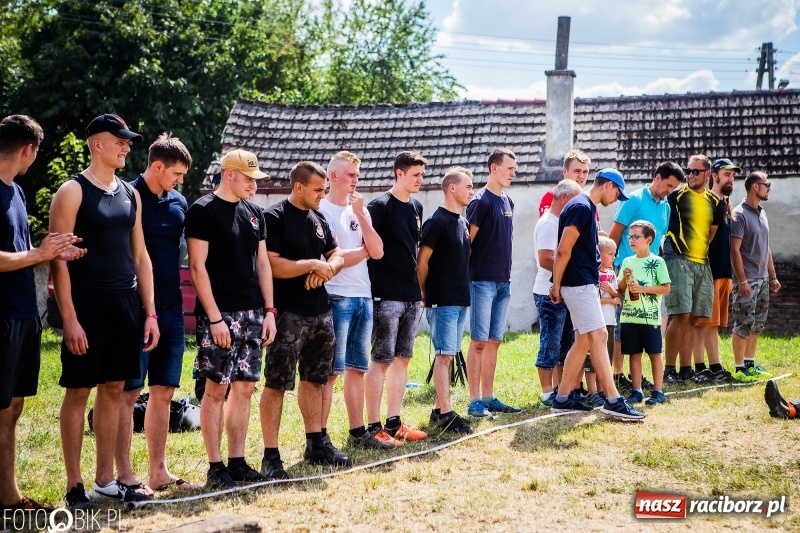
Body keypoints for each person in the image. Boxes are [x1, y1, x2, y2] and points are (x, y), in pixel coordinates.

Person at [49, 114, 158, 509]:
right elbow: (58, 261)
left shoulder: (131, 194)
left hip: (125, 304)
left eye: (129, 141)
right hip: (86, 305)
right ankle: (75, 485)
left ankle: (105, 480)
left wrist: (150, 312)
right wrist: (71, 318)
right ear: (98, 144)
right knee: (78, 391)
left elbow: (141, 256)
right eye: (120, 141)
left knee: (115, 389)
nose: (127, 147)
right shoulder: (72, 192)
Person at [0, 115, 83, 513]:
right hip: (2, 315)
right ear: (28, 149)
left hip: (24, 312)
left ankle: (8, 495)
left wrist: (56, 252)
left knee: (13, 407)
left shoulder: (16, 191)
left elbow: (25, 249)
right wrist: (38, 254)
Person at [185, 149, 277, 489]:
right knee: (216, 389)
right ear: (229, 175)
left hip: (254, 312)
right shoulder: (202, 211)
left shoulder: (255, 213)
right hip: (220, 314)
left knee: (245, 387)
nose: (254, 184)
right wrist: (213, 318)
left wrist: (269, 311)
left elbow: (263, 264)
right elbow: (197, 267)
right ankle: (215, 466)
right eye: (249, 178)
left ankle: (237, 462)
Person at [114, 134, 196, 494]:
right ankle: (124, 475)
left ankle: (158, 472)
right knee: (129, 394)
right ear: (157, 166)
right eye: (176, 173)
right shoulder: (126, 196)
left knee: (163, 391)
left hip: (173, 309)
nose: (180, 181)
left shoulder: (179, 201)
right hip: (134, 309)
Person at [260, 160, 349, 476]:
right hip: (288, 315)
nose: (322, 195)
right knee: (277, 385)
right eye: (317, 190)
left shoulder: (319, 217)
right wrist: (311, 263)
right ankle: (271, 456)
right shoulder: (275, 217)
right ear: (298, 187)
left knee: (315, 380)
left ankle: (316, 444)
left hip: (320, 313)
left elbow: (336, 254)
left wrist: (325, 271)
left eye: (324, 189)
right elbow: (272, 265)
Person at [549, 169, 644, 420]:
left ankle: (562, 398)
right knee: (600, 335)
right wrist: (555, 285)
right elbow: (562, 250)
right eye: (617, 194)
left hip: (581, 281)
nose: (616, 199)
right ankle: (613, 400)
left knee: (583, 340)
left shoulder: (584, 207)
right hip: (578, 283)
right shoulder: (581, 206)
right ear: (608, 185)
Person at [317, 152, 392, 449]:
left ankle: (357, 431)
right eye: (350, 175)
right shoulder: (321, 210)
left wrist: (361, 215)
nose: (355, 181)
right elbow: (332, 258)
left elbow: (378, 250)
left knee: (358, 368)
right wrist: (360, 253)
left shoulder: (359, 210)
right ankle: (319, 435)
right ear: (333, 176)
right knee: (332, 371)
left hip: (363, 295)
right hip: (336, 296)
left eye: (357, 176)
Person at [364, 151, 429, 444]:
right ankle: (373, 425)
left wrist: (420, 292)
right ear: (399, 174)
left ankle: (394, 422)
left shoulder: (416, 206)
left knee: (402, 360)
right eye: (415, 174)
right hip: (385, 295)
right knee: (381, 361)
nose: (420, 180)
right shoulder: (379, 206)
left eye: (422, 175)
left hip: (411, 296)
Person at [608, 162, 684, 390]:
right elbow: (614, 235)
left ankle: (637, 377)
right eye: (668, 185)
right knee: (624, 325)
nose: (670, 191)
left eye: (674, 188)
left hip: (650, 274)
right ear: (657, 177)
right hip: (626, 270)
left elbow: (658, 241)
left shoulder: (666, 206)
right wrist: (613, 270)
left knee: (647, 323)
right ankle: (618, 373)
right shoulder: (633, 200)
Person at [417, 167, 475, 434]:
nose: (471, 191)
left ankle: (440, 408)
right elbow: (422, 262)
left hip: (460, 299)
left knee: (449, 355)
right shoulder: (436, 222)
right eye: (468, 186)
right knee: (443, 356)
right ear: (452, 188)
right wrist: (423, 292)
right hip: (442, 300)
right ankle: (446, 415)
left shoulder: (463, 223)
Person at [465, 148, 521, 417]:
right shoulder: (480, 201)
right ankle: (474, 399)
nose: (514, 173)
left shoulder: (508, 201)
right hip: (481, 282)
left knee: (494, 341)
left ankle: (488, 396)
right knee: (478, 341)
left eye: (514, 168)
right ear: (494, 168)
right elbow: (466, 244)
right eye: (509, 168)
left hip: (503, 282)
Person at [662, 154, 724, 385]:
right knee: (680, 315)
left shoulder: (716, 202)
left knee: (694, 317)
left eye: (695, 171)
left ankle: (686, 369)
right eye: (688, 171)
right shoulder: (675, 197)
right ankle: (668, 370)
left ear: (708, 173)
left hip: (702, 262)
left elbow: (711, 234)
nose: (689, 175)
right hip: (678, 258)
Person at [532, 179, 582, 406]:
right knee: (550, 343)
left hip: (561, 290)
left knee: (565, 344)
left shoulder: (559, 221)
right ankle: (546, 392)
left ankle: (563, 389)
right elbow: (544, 258)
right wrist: (569, 270)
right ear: (564, 198)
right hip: (548, 292)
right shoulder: (549, 224)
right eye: (575, 199)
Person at [730, 171, 781, 381]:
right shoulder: (739, 214)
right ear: (755, 187)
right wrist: (742, 280)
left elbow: (766, 248)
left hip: (762, 279)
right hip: (747, 279)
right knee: (743, 323)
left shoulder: (762, 213)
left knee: (757, 323)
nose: (769, 187)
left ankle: (750, 363)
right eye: (766, 184)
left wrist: (773, 276)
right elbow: (734, 250)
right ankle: (740, 367)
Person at [692, 158, 740, 384]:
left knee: (713, 324)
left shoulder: (726, 205)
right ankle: (700, 367)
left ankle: (715, 366)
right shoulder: (708, 202)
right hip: (706, 270)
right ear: (715, 175)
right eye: (727, 174)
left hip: (722, 273)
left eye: (733, 175)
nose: (731, 179)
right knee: (702, 322)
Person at [616, 220, 670, 405]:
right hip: (629, 317)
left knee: (655, 354)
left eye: (636, 236)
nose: (631, 240)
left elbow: (665, 288)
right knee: (634, 354)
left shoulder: (657, 262)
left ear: (648, 239)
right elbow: (620, 289)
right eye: (630, 236)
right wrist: (624, 277)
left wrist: (642, 289)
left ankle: (658, 391)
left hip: (651, 319)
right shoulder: (627, 261)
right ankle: (636, 390)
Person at [583, 236, 622, 408]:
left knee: (606, 356)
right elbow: (593, 300)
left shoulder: (612, 273)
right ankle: (591, 392)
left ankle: (601, 390)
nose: (613, 257)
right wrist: (611, 300)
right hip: (595, 320)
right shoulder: (593, 274)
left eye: (614, 254)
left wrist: (612, 292)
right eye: (610, 254)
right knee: (591, 358)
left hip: (609, 320)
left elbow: (618, 298)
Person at [538, 149, 590, 216]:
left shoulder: (589, 200)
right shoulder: (551, 196)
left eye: (585, 172)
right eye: (577, 171)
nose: (581, 176)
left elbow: (597, 226)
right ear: (565, 171)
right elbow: (548, 225)